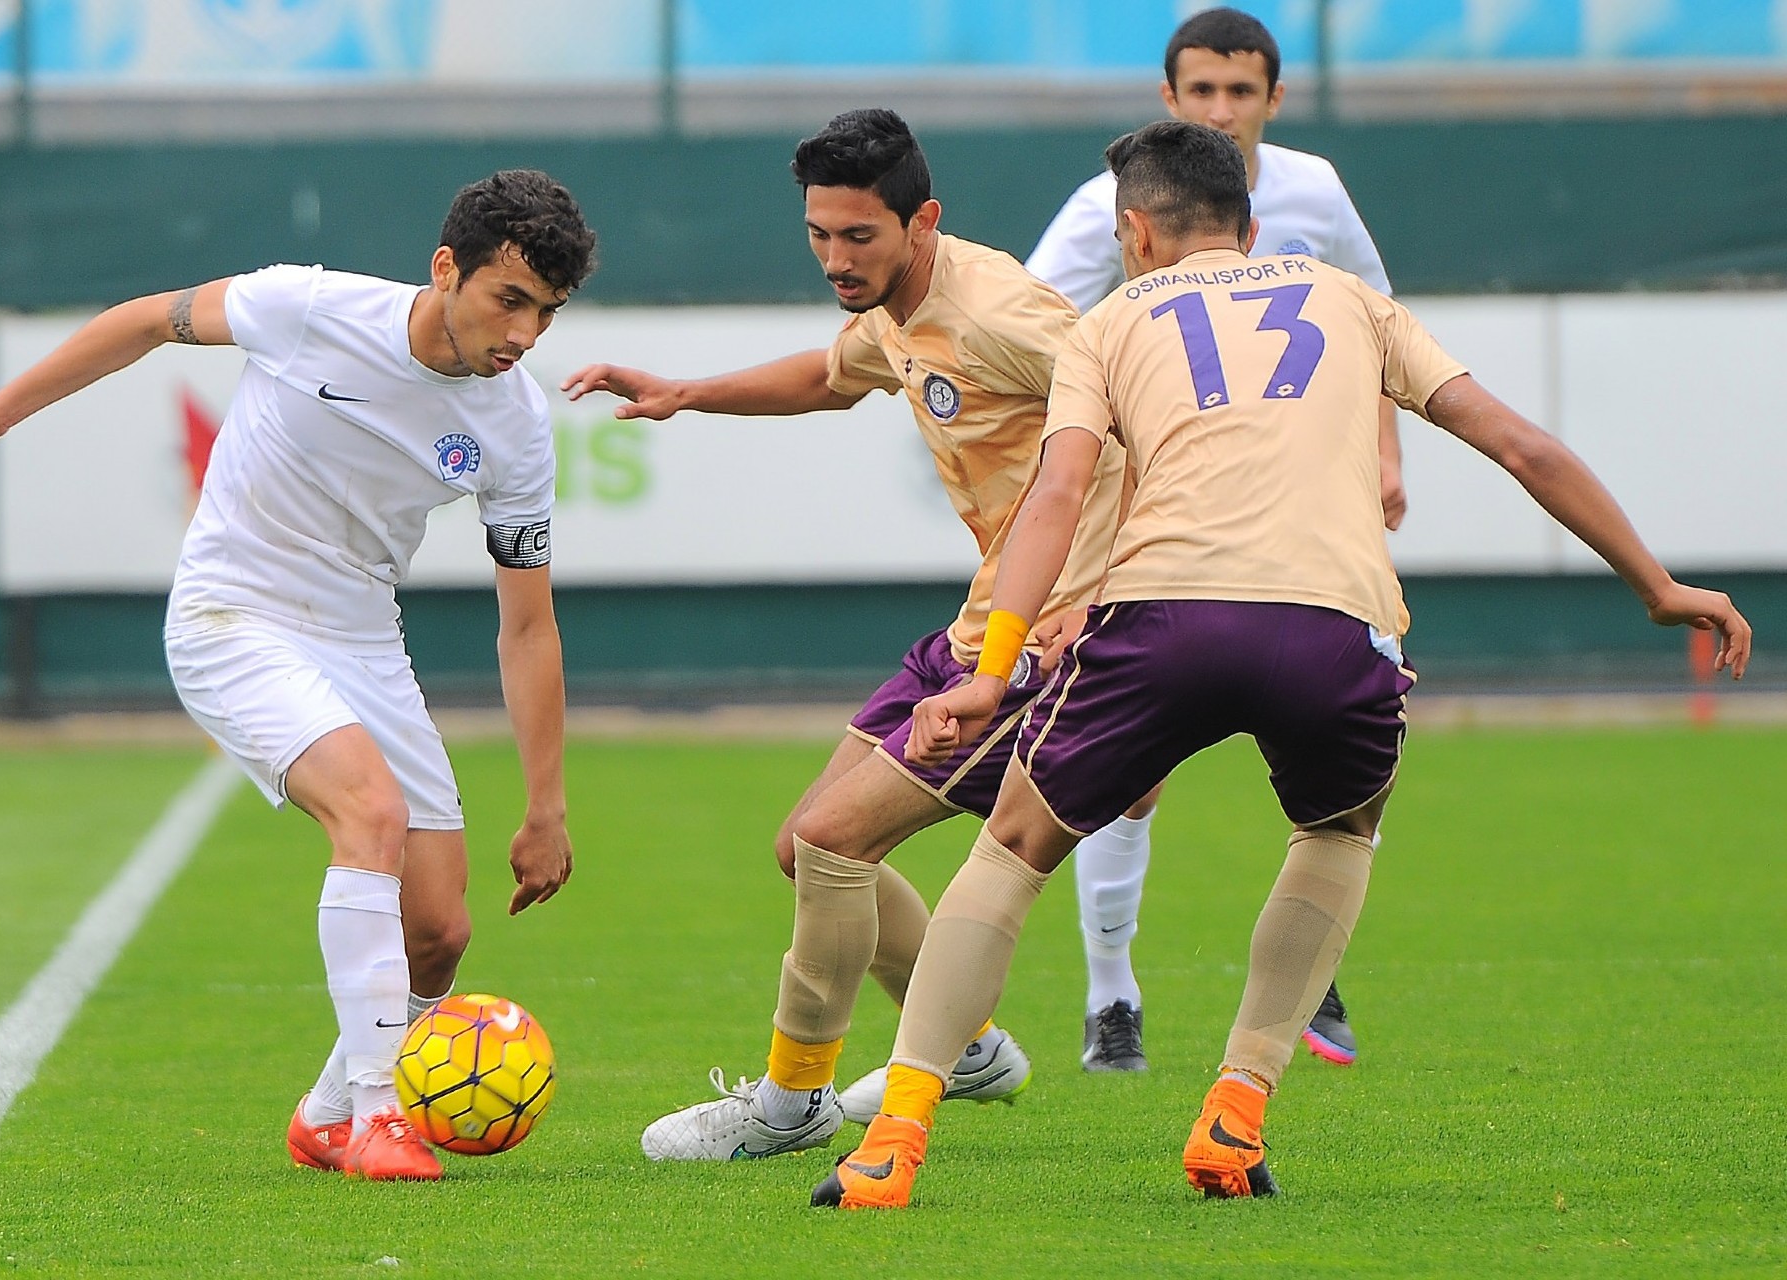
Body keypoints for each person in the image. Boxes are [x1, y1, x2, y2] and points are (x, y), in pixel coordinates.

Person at [811, 119, 1749, 1211]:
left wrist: (991, 669)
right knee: (1339, 829)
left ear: (1136, 232)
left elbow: (1056, 495)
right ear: (1251, 230)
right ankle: (1237, 1108)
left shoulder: (1111, 320)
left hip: (1163, 621)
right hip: (1332, 628)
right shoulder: (1351, 301)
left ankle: (893, 1141)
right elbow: (1520, 444)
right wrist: (1656, 585)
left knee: (1014, 849)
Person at [0, 170, 597, 1182]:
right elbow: (147, 321)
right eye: (510, 299)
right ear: (447, 269)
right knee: (372, 815)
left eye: (547, 313)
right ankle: (373, 1113)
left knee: (439, 929)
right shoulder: (308, 306)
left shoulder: (517, 425)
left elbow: (527, 627)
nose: (524, 333)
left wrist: (546, 805)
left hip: (363, 639)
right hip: (234, 614)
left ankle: (320, 1113)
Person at [561, 107, 1130, 1160]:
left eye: (858, 235)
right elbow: (832, 377)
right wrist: (689, 394)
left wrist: (1095, 599)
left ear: (924, 222)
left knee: (834, 840)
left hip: (1049, 647)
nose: (834, 257)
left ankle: (792, 1102)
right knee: (807, 845)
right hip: (976, 627)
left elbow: (1152, 425)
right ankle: (964, 1047)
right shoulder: (895, 309)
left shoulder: (1002, 310)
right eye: (819, 234)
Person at [1027, 5, 1397, 1071]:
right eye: (1203, 90)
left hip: (1306, 507)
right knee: (1130, 770)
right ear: (1169, 98)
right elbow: (1038, 312)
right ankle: (1112, 995)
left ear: (1275, 100)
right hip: (1159, 508)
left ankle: (1312, 967)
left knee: (1334, 739)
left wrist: (1385, 456)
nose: (1222, 109)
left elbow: (1375, 317)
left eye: (1243, 91)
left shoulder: (1313, 192)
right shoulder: (1118, 199)